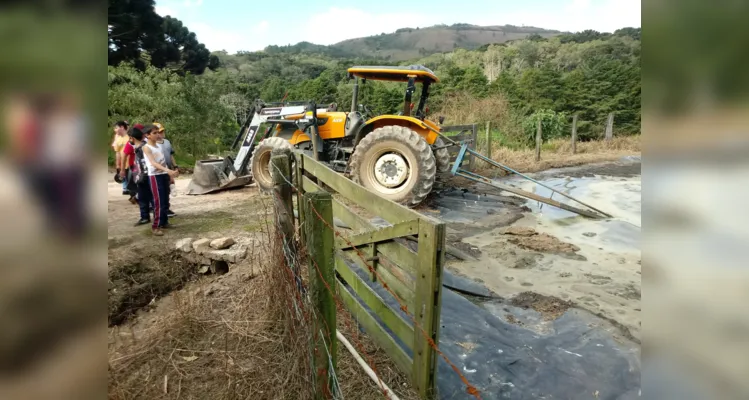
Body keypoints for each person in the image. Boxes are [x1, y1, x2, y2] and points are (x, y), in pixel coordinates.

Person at [142, 124, 179, 235]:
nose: (157, 135)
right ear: (147, 135)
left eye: (158, 132)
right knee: (157, 201)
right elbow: (153, 163)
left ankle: (164, 221)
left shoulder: (158, 146)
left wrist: (170, 174)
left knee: (164, 199)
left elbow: (163, 162)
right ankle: (156, 226)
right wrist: (168, 171)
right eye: (154, 133)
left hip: (163, 174)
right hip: (154, 176)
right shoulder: (146, 147)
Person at [127, 125, 153, 226]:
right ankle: (145, 216)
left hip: (145, 175)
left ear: (132, 138)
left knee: (149, 197)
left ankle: (152, 217)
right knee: (142, 197)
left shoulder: (143, 148)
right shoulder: (139, 147)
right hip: (141, 176)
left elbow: (144, 163)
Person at [153, 122, 177, 217]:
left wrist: (175, 166)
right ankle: (160, 210)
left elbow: (171, 155)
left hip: (168, 169)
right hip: (159, 170)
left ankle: (166, 208)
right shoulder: (152, 145)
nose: (161, 133)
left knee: (168, 189)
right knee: (160, 191)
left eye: (162, 131)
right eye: (158, 132)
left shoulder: (167, 142)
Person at [111, 120, 130, 195]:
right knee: (123, 175)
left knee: (131, 178)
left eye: (116, 127)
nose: (115, 129)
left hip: (130, 163)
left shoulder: (130, 138)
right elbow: (117, 152)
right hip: (122, 163)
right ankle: (125, 188)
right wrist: (117, 164)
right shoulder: (118, 139)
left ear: (122, 127)